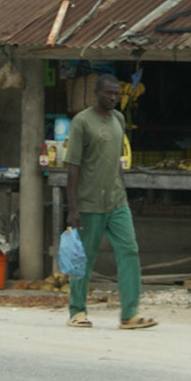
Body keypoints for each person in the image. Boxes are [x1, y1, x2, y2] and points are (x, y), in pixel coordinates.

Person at [64, 73, 154, 330]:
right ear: (96, 93)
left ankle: (129, 313)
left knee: (129, 250)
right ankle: (77, 311)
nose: (113, 97)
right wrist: (73, 208)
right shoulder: (82, 122)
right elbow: (73, 167)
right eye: (108, 93)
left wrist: (123, 192)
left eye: (116, 93)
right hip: (89, 202)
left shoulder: (119, 119)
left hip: (116, 201)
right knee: (85, 256)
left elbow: (116, 161)